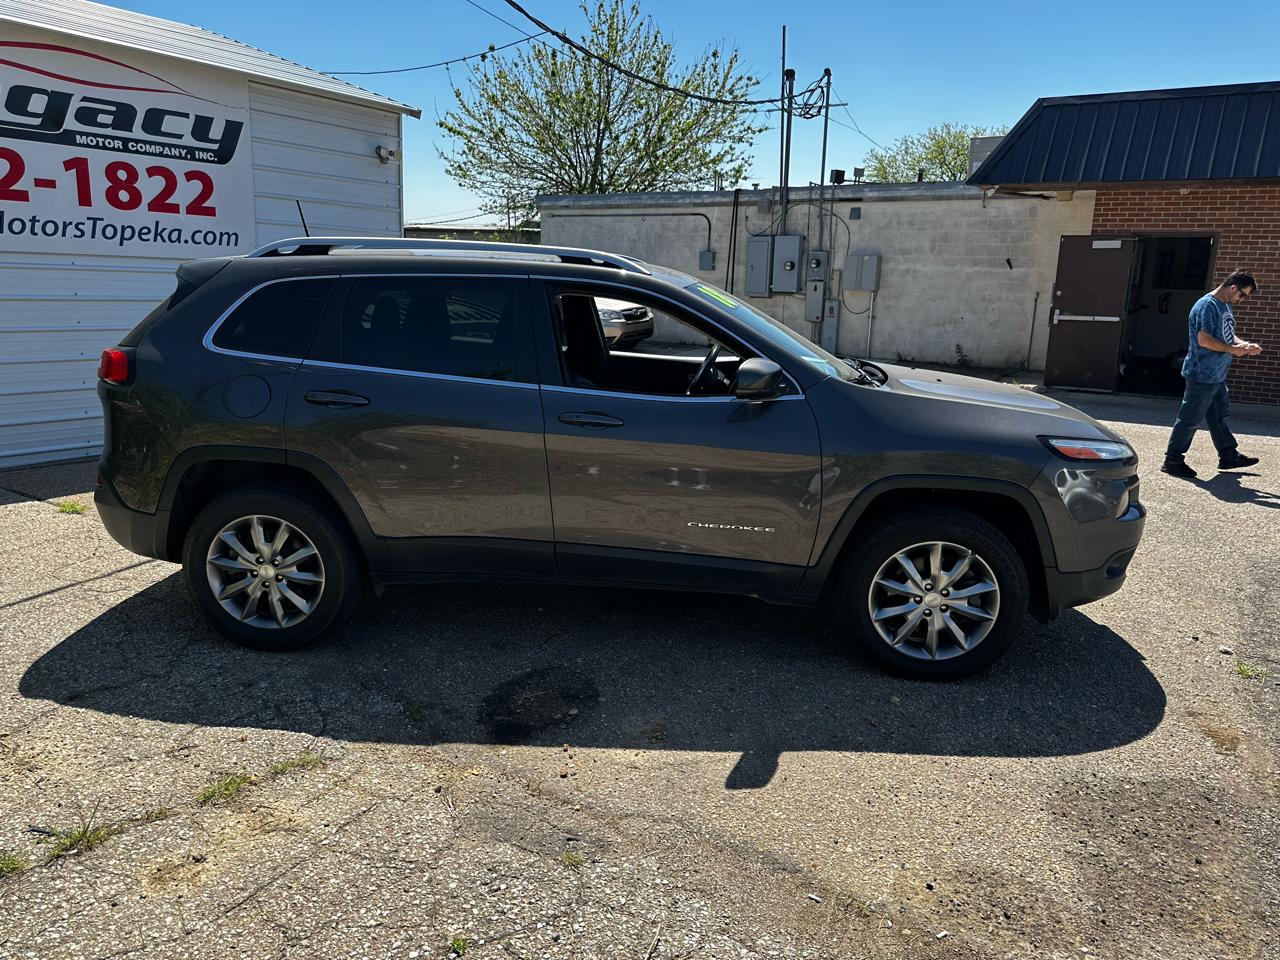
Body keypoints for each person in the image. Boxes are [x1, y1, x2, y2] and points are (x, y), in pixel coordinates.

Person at [1161, 270, 1264, 479]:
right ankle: (1172, 460)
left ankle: (1228, 455)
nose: (1241, 299)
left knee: (1218, 416)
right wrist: (1233, 350)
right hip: (1202, 373)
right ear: (1233, 287)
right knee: (1190, 418)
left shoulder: (1224, 305)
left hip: (1216, 374)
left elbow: (1226, 334)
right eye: (1242, 295)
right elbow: (1204, 340)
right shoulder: (1207, 305)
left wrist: (1242, 344)